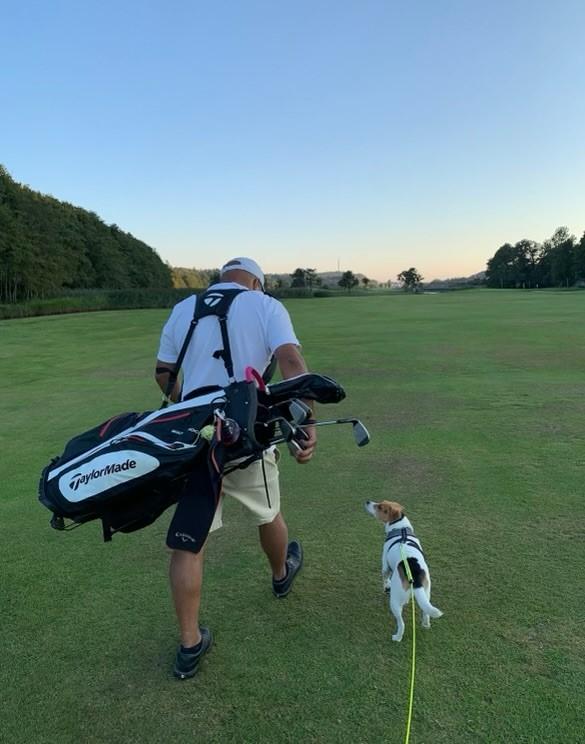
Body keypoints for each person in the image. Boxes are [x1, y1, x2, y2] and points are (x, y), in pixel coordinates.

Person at [155, 257, 317, 679]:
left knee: (190, 541)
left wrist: (185, 403)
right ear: (257, 284)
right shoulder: (265, 306)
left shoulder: (182, 309)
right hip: (245, 436)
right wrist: (306, 423)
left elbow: (163, 375)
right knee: (269, 512)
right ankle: (281, 575)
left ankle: (189, 644)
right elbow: (294, 365)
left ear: (221, 279)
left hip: (194, 437)